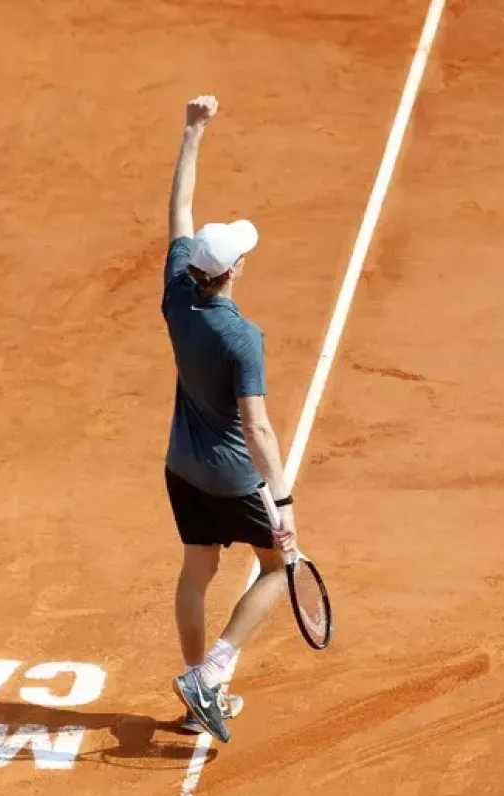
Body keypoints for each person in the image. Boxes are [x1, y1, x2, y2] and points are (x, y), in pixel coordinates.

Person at [161, 95, 298, 744]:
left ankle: (196, 694)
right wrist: (283, 501)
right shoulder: (242, 337)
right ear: (234, 270)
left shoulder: (176, 292)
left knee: (197, 574)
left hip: (181, 469)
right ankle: (212, 672)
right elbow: (258, 428)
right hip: (233, 478)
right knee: (279, 569)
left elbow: (179, 210)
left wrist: (193, 130)